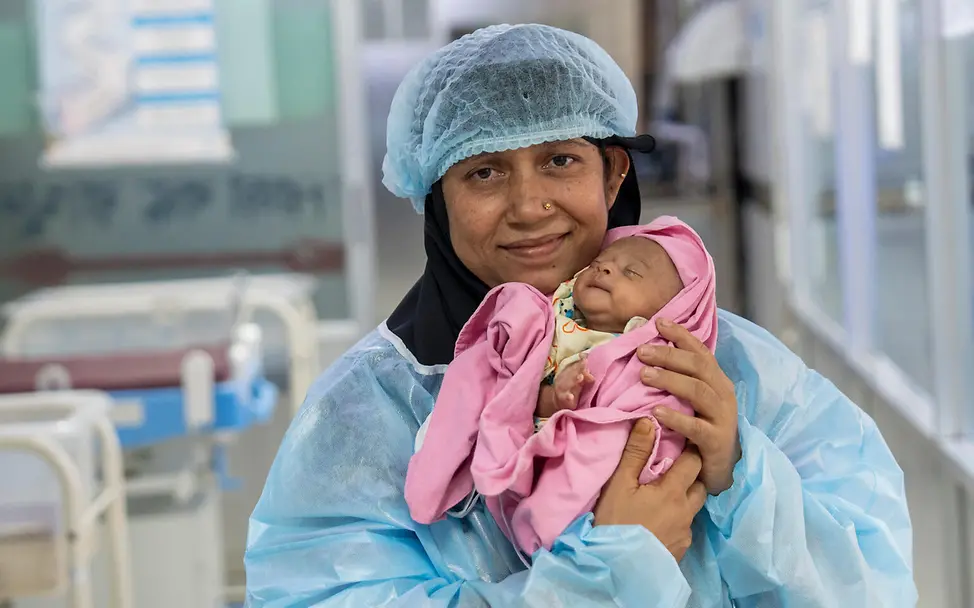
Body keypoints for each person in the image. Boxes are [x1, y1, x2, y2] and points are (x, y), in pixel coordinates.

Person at [244, 24, 916, 607]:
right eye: (484, 172)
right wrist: (611, 574)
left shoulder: (727, 371)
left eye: (560, 160)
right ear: (436, 196)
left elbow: (873, 584)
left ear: (614, 173)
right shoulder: (372, 416)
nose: (530, 206)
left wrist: (744, 476)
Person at [404, 218, 717, 557]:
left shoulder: (661, 363)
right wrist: (549, 399)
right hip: (531, 449)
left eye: (632, 273)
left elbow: (647, 427)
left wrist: (726, 466)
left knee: (604, 443)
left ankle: (550, 522)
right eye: (598, 264)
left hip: (605, 464)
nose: (605, 270)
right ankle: (445, 473)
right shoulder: (546, 320)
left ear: (673, 311)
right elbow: (510, 386)